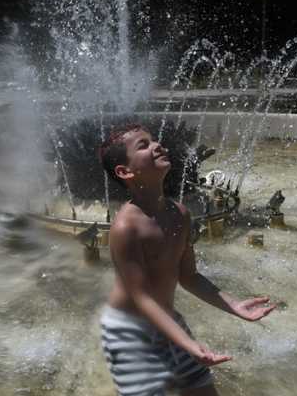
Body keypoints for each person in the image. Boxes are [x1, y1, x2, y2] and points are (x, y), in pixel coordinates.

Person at [97, 123, 276, 396]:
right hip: (130, 334)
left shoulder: (180, 214)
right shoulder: (126, 228)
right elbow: (140, 297)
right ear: (126, 171)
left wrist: (234, 305)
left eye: (154, 140)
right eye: (143, 145)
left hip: (168, 321)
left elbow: (188, 276)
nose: (157, 145)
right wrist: (189, 345)